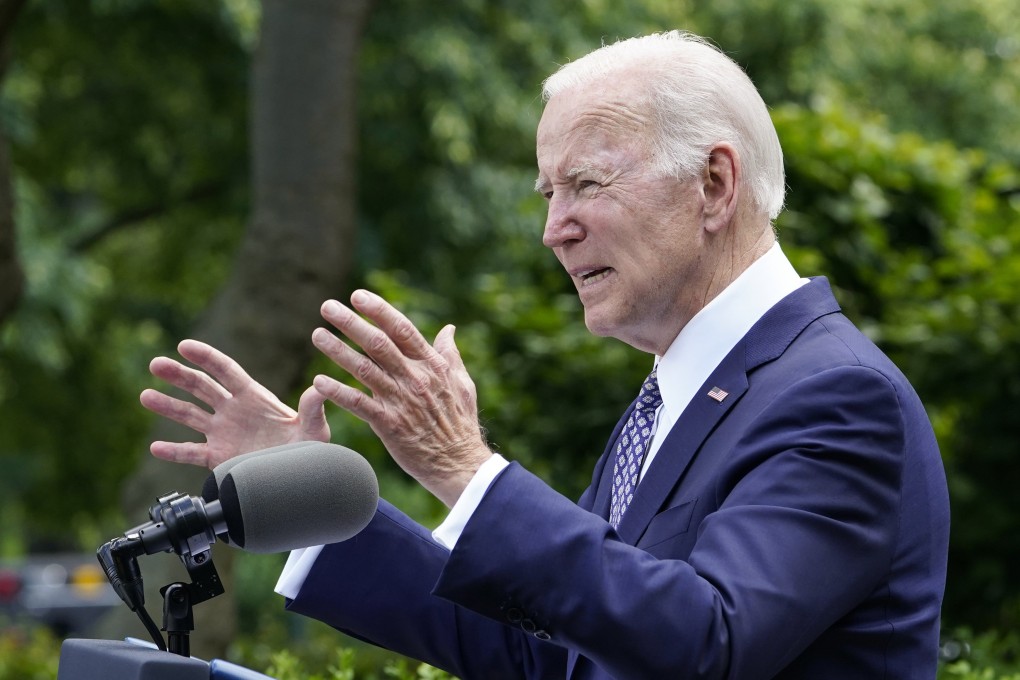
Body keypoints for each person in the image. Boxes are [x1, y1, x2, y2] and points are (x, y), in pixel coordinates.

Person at [140, 31, 949, 679]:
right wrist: (314, 505)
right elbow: (554, 654)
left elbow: (708, 644)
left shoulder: (838, 395)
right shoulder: (673, 397)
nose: (553, 227)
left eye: (587, 185)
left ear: (713, 184)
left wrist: (464, 466)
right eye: (548, 193)